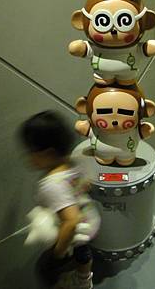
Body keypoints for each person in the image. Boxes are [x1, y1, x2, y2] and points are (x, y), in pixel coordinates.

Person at [20, 110, 100, 289]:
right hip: (90, 217)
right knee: (83, 252)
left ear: (48, 153)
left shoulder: (51, 185)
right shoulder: (73, 163)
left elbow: (71, 222)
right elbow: (85, 184)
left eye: (31, 151)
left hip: (76, 230)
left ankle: (76, 282)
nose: (27, 157)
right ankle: (84, 277)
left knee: (51, 266)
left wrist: (58, 253)